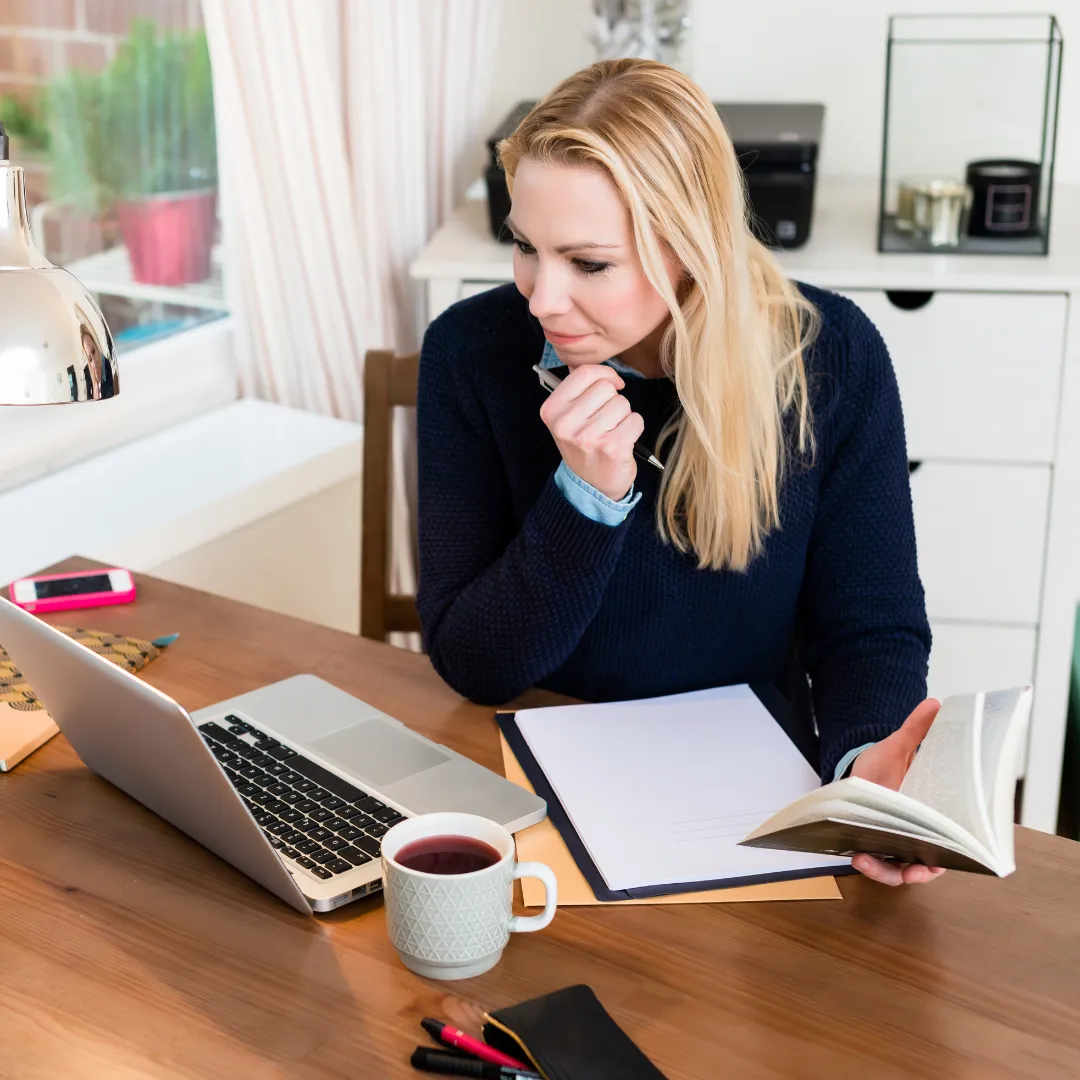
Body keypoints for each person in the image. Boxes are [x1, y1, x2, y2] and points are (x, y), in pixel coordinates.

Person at [416, 59, 942, 886]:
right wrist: (584, 500)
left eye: (588, 264)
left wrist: (863, 776)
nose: (541, 297)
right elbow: (473, 663)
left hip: (748, 808)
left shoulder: (830, 358)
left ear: (689, 251)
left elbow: (869, 628)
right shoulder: (468, 352)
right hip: (532, 793)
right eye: (524, 245)